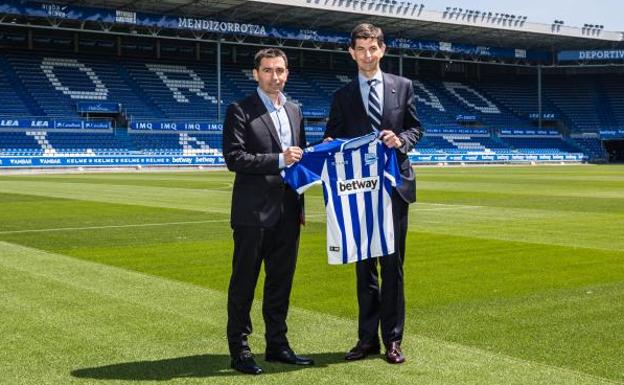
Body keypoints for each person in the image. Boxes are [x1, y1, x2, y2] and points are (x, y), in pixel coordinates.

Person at [324, 23, 424, 364]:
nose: (367, 55)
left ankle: (393, 341)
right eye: (361, 49)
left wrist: (401, 141)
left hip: (394, 188)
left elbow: (415, 127)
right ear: (351, 53)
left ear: (383, 49)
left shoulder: (403, 86)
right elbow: (332, 138)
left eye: (373, 48)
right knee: (364, 268)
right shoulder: (342, 96)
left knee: (392, 267)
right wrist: (325, 146)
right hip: (358, 193)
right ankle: (366, 340)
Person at [223, 47, 313, 375]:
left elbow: (300, 161)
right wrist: (279, 159)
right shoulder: (240, 110)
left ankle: (277, 345)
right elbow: (234, 158)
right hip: (252, 214)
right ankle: (241, 350)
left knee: (280, 284)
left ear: (287, 73)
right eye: (267, 70)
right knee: (244, 284)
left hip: (288, 212)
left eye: (279, 70)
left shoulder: (295, 110)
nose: (274, 77)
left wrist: (302, 202)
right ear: (255, 73)